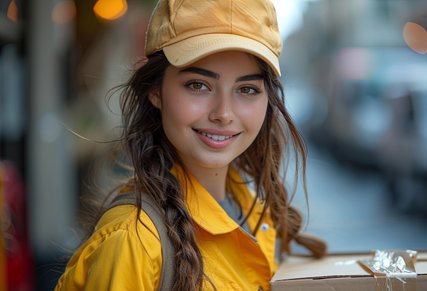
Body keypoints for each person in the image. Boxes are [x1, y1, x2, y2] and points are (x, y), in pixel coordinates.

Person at [56, 0, 326, 290]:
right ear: (155, 91)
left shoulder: (254, 213)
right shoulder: (133, 241)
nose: (223, 113)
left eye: (247, 89)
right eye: (198, 84)